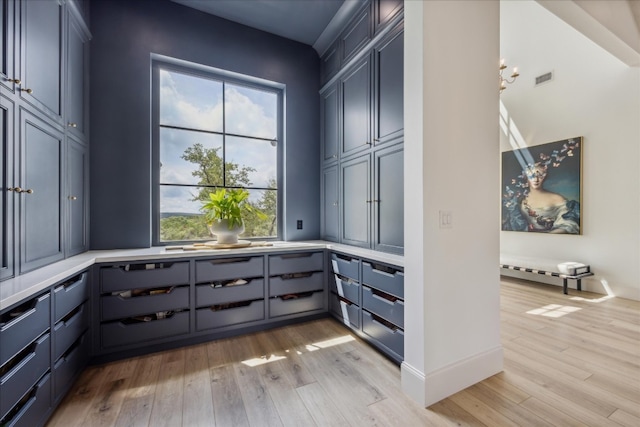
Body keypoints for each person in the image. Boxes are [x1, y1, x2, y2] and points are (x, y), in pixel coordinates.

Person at [503, 162, 580, 233]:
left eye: (540, 176)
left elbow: (569, 223)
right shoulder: (520, 199)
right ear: (526, 177)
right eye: (532, 176)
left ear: (545, 177)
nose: (536, 179)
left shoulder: (557, 198)